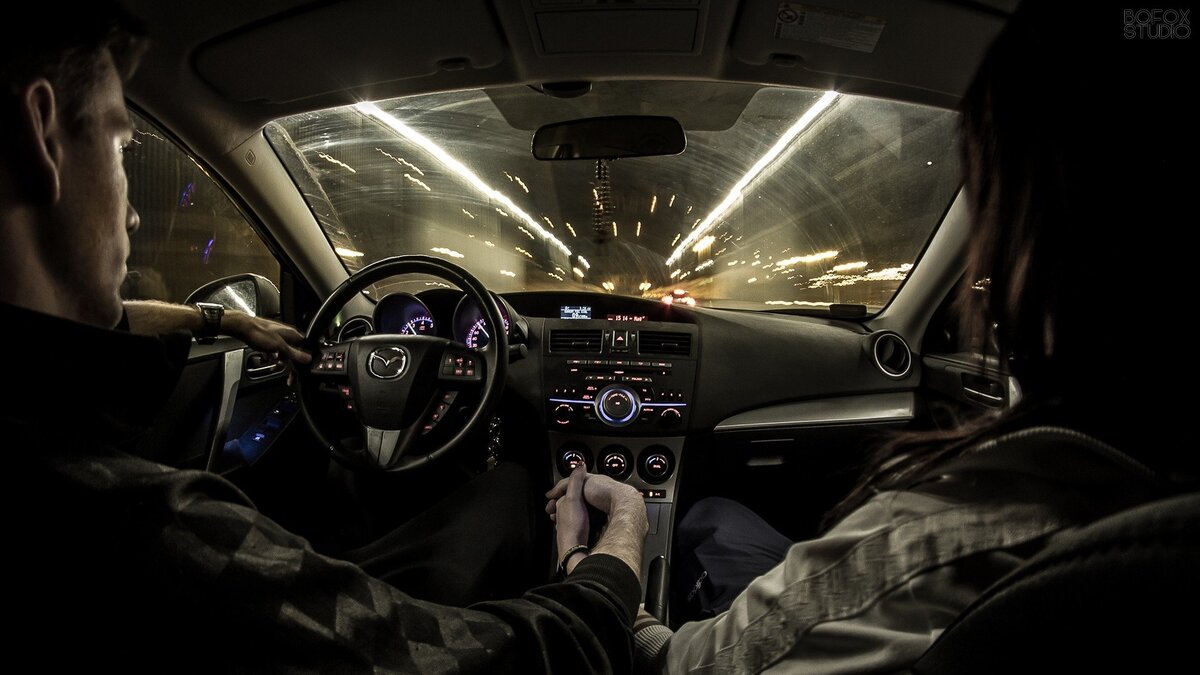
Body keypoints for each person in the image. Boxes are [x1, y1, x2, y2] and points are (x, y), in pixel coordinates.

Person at [3, 5, 649, 673]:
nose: (135, 213)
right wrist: (619, 535)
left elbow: (117, 320)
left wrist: (223, 321)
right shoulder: (152, 532)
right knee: (511, 485)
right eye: (119, 148)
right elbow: (532, 654)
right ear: (43, 131)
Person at [632, 3, 1194, 672]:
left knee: (709, 517)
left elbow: (680, 663)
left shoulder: (937, 547)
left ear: (1038, 253)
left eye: (988, 214)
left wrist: (605, 557)